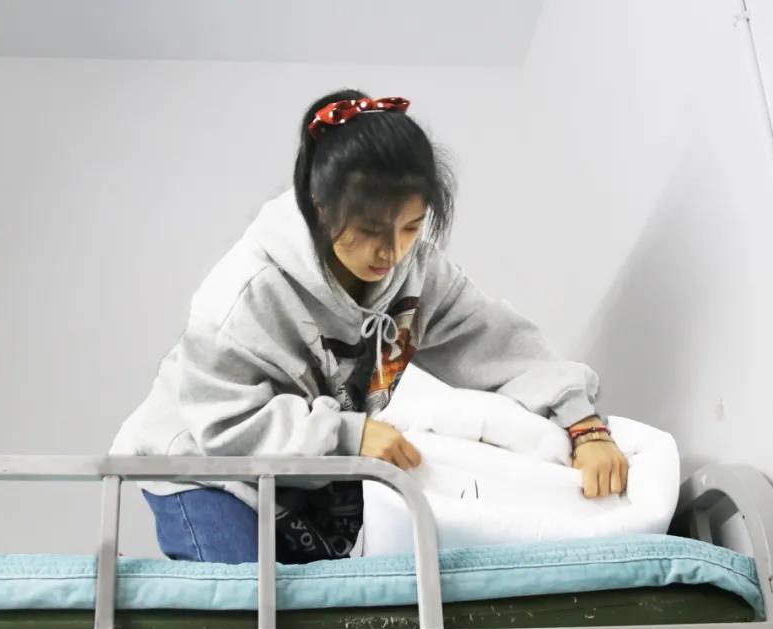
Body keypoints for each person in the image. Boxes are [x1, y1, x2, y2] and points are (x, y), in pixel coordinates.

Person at [110, 89, 628, 564]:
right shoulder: (245, 290)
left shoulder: (417, 271)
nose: (391, 251)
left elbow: (501, 347)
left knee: (324, 612)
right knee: (249, 608)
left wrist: (585, 427)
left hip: (297, 470)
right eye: (370, 230)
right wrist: (347, 433)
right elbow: (225, 424)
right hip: (203, 465)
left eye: (411, 227)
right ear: (320, 207)